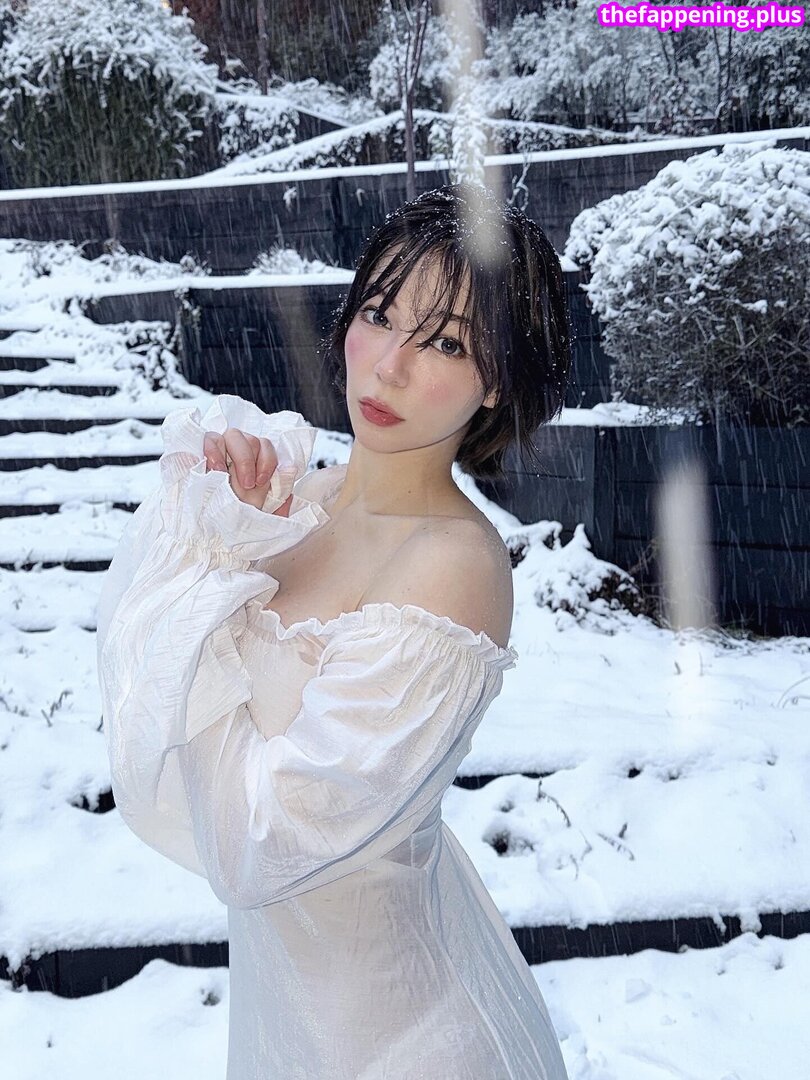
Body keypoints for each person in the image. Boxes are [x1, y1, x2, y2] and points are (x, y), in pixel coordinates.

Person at [96, 182, 572, 1079]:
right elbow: (133, 695)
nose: (388, 366)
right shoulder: (296, 503)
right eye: (379, 315)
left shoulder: (452, 565)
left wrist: (211, 579)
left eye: (444, 342)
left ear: (497, 381)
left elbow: (263, 843)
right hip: (286, 1020)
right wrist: (222, 529)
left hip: (404, 1038)